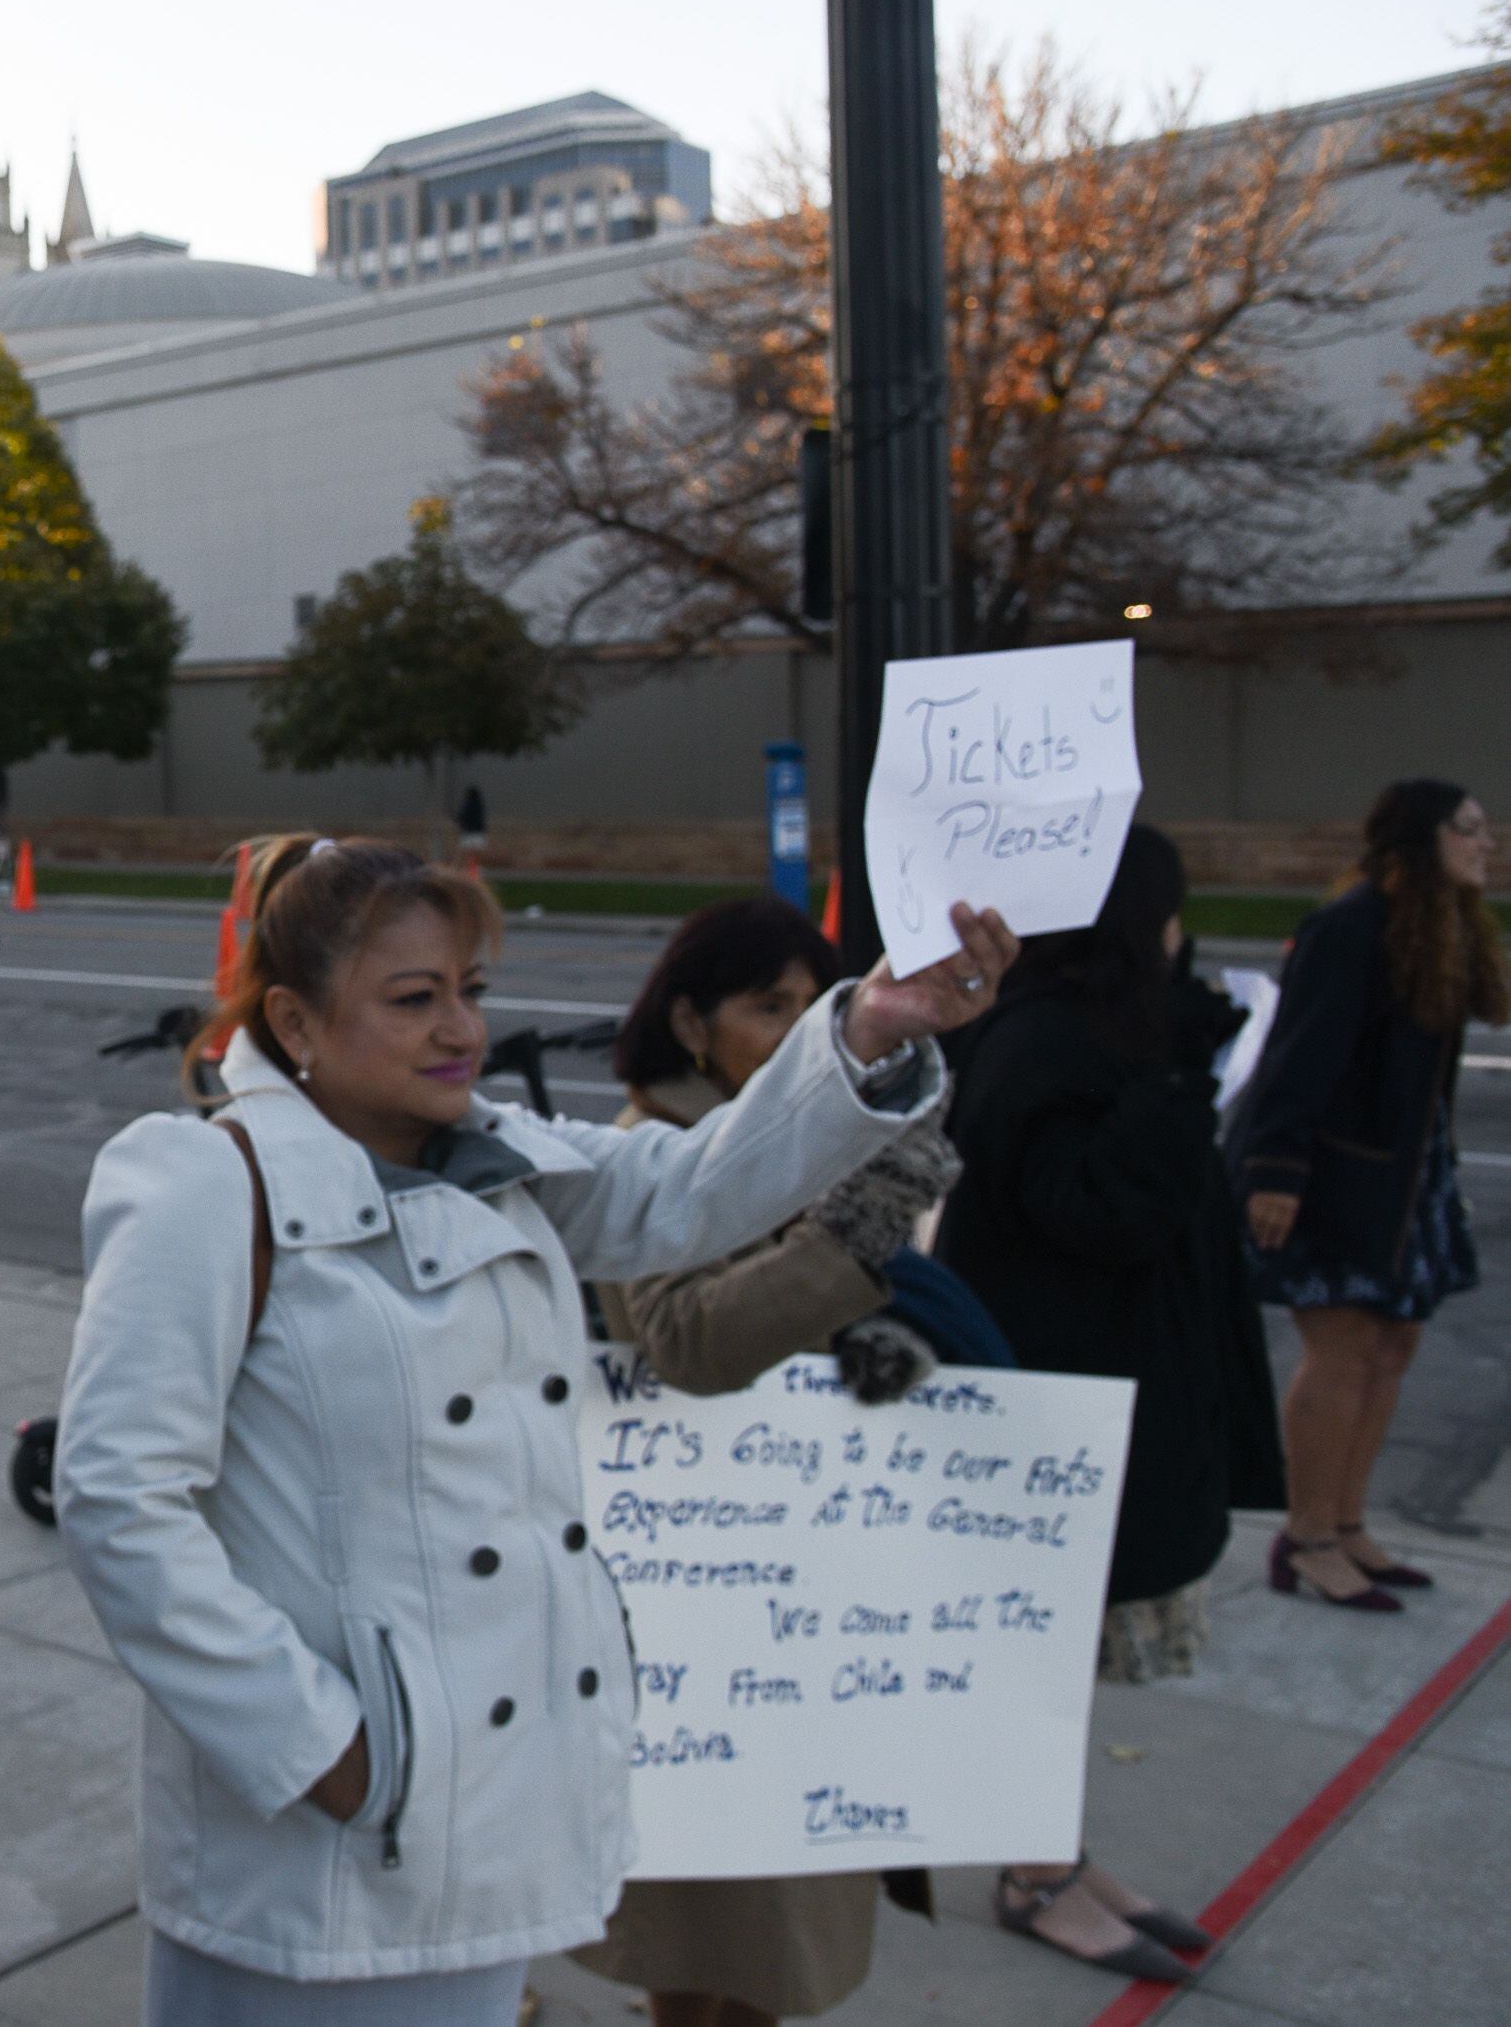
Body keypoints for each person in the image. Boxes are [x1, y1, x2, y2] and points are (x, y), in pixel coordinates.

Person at [55, 835, 1013, 2023]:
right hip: (320, 1842)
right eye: (412, 999)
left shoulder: (495, 1157)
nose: (458, 1027)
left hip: (490, 1808)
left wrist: (865, 1026)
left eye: (469, 991)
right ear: (295, 1024)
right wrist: (319, 1751)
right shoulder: (205, 1184)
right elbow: (116, 1501)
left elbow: (693, 1189)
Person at [569, 897, 962, 2027]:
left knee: (776, 1928)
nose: (795, 1034)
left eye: (811, 1008)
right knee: (710, 1932)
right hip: (704, 1607)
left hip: (797, 1594)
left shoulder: (796, 1136)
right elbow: (686, 1342)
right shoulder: (654, 1147)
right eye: (765, 1008)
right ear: (689, 1023)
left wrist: (875, 1343)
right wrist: (858, 1231)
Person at [939, 823, 1284, 1983]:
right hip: (1054, 1409)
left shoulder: (1085, 1030)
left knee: (1069, 1660)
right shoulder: (1041, 1039)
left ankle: (1058, 1854)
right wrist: (1180, 1081)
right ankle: (1033, 1875)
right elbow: (1098, 1211)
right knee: (1046, 1654)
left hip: (1110, 1390)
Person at [1230, 779, 1504, 1606]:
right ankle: (1305, 1537)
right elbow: (1297, 1055)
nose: (1485, 844)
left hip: (1409, 1175)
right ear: (1421, 840)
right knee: (1342, 1348)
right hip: (1336, 1172)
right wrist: (1276, 1168)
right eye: (1469, 830)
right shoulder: (1348, 929)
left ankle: (1348, 1522)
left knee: (1393, 1347)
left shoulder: (1436, 929)